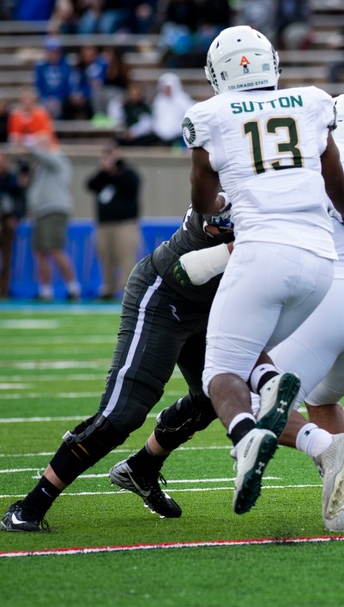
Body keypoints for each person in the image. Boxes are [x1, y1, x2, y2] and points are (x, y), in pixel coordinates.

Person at [113, 94, 344, 532]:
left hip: (328, 289)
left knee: (244, 392)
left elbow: (244, 210)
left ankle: (321, 446)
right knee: (320, 395)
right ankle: (339, 506)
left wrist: (211, 249)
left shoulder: (308, 158)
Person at [185, 25, 344, 515]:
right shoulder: (310, 101)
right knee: (250, 351)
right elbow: (338, 186)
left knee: (219, 371)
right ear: (272, 63)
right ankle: (312, 436)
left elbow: (203, 198)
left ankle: (245, 439)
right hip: (320, 260)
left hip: (262, 251)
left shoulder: (211, 115)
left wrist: (218, 205)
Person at [1, 203, 236, 531]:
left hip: (215, 306)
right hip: (165, 297)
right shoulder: (229, 186)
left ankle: (142, 467)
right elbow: (214, 218)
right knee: (122, 413)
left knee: (218, 396)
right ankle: (31, 505)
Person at [16, 133, 81, 302]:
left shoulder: (58, 159)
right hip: (41, 212)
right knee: (40, 252)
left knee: (55, 249)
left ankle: (73, 287)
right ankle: (45, 291)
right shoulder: (41, 168)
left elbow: (45, 157)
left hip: (54, 210)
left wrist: (29, 146)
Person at [85, 143, 141, 301]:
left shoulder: (128, 173)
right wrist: (104, 171)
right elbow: (90, 185)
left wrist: (117, 171)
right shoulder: (102, 176)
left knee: (126, 257)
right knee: (105, 256)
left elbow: (132, 186)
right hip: (104, 224)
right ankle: (108, 288)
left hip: (125, 224)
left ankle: (127, 290)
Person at [0, 151, 27, 299]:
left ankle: (4, 290)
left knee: (7, 257)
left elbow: (20, 199)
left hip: (6, 219)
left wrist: (16, 216)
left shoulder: (12, 179)